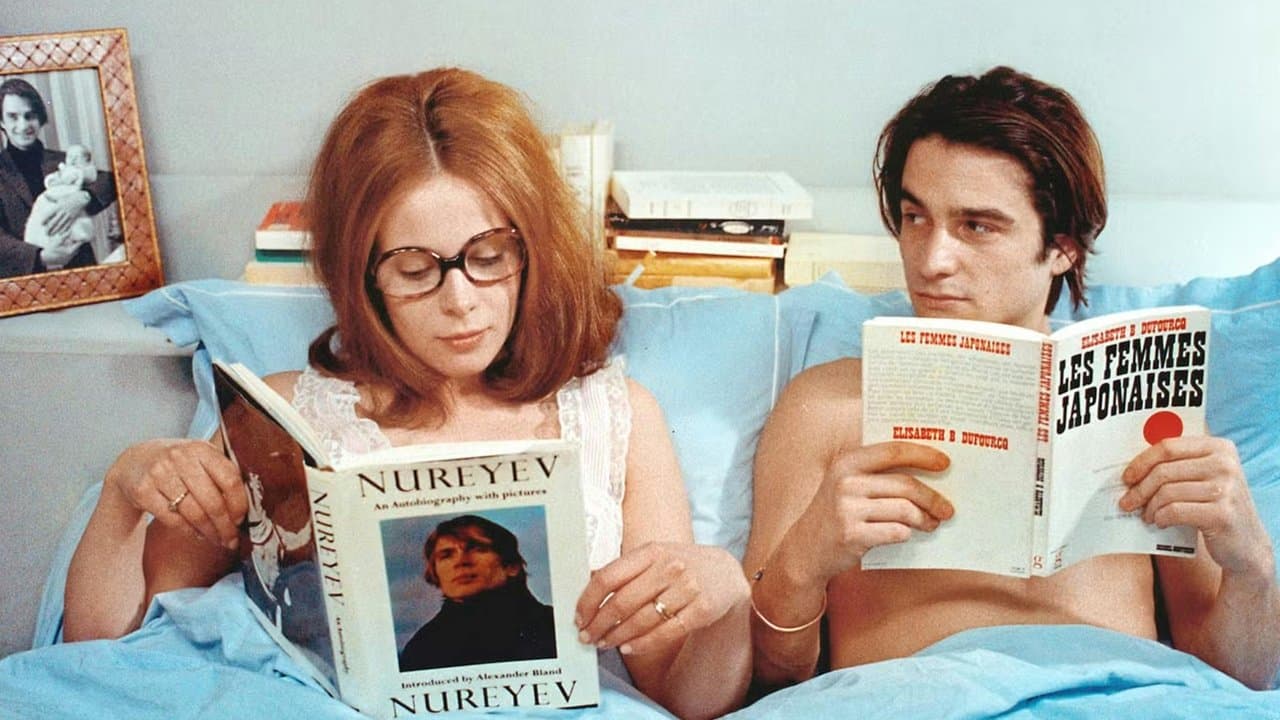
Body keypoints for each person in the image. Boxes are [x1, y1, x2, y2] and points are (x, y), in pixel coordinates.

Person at [63, 67, 751, 720]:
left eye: (489, 256)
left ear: (532, 252)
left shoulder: (615, 415)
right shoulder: (282, 417)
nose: (461, 301)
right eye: (416, 269)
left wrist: (725, 596)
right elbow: (107, 650)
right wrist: (125, 490)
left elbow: (687, 697)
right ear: (363, 277)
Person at [743, 66, 1280, 692]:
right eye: (915, 217)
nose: (931, 260)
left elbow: (1236, 676)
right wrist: (803, 563)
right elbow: (764, 681)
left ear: (1062, 247)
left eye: (977, 227)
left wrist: (1252, 564)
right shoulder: (828, 407)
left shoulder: (1144, 400)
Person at [398, 515, 556, 671]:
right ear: (436, 574)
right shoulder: (423, 649)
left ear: (511, 566)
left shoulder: (553, 627)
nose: (461, 561)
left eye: (478, 549)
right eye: (446, 555)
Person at [0, 78, 117, 277]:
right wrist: (41, 257)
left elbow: (110, 181)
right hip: (26, 278)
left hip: (80, 269)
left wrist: (82, 198)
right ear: (1, 121)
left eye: (30, 115)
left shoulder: (64, 160)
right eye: (13, 117)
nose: (23, 125)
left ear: (40, 118)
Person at [24, 143, 99, 270]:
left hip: (79, 257)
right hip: (31, 267)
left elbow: (106, 180)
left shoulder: (58, 158)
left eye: (77, 157)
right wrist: (39, 257)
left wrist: (85, 196)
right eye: (71, 156)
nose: (73, 159)